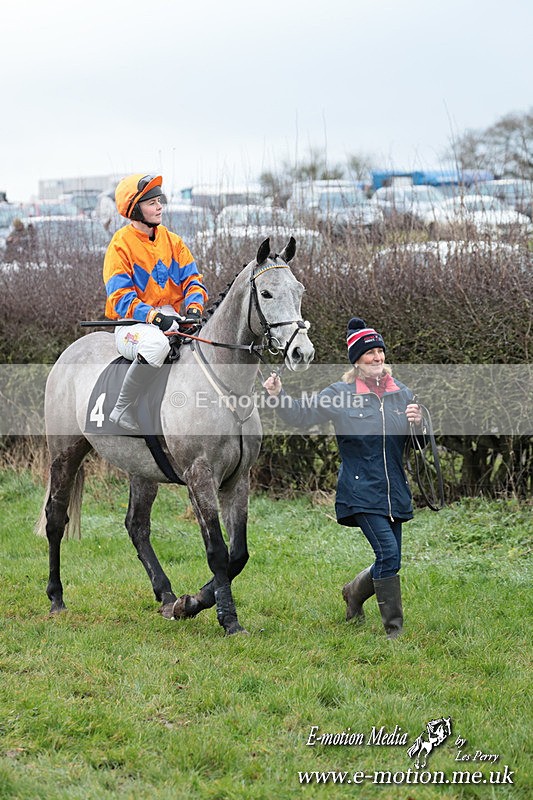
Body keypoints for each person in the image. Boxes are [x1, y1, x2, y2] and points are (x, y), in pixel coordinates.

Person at [263, 317, 423, 639]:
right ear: (356, 361)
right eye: (369, 353)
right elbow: (301, 415)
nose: (377, 357)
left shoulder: (401, 393)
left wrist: (418, 424)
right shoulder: (340, 394)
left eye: (379, 351)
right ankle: (394, 631)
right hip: (360, 490)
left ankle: (353, 592)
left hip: (394, 490)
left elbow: (415, 443)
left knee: (391, 561)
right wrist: (278, 395)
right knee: (388, 554)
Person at [103, 174, 208, 432]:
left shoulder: (173, 242)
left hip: (171, 318)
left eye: (159, 200)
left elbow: (193, 281)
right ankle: (122, 408)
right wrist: (155, 317)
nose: (159, 206)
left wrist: (194, 310)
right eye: (152, 202)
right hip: (132, 325)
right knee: (156, 344)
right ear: (135, 209)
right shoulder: (120, 245)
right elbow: (120, 298)